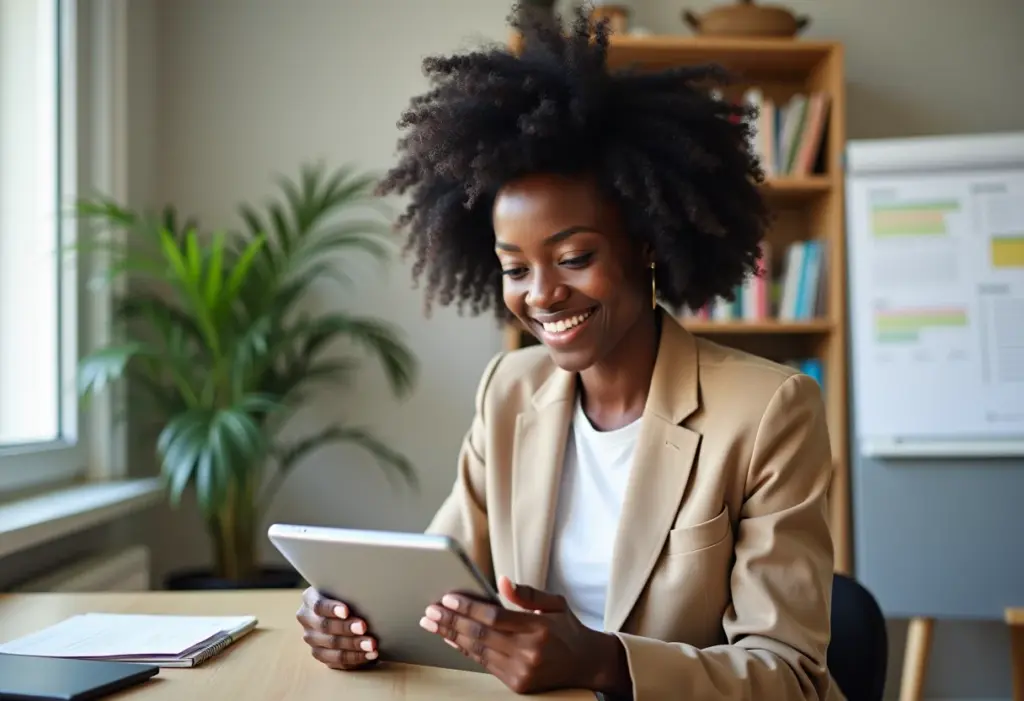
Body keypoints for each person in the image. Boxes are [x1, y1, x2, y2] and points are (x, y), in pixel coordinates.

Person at [296, 5, 842, 700]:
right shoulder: (509, 389)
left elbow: (790, 676)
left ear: (646, 244)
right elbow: (439, 588)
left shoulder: (768, 411)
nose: (543, 294)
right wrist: (353, 618)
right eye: (515, 268)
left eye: (575, 256)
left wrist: (602, 662)